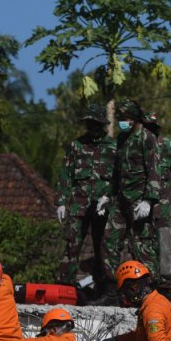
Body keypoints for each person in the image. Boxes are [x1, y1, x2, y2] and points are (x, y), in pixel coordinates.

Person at [54, 103, 116, 294]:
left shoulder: (113, 147)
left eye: (95, 123)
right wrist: (61, 202)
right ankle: (65, 285)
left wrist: (110, 199)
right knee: (72, 243)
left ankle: (105, 286)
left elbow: (119, 179)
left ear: (102, 125)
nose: (91, 127)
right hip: (78, 205)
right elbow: (66, 175)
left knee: (103, 247)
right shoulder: (77, 145)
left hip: (103, 207)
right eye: (88, 123)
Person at [105, 100, 162, 281]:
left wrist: (149, 200)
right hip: (120, 199)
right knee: (110, 241)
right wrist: (108, 195)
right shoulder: (122, 139)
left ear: (135, 119)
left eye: (126, 118)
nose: (122, 122)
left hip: (139, 200)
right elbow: (117, 170)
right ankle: (111, 287)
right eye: (120, 118)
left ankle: (153, 285)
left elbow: (154, 170)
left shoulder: (147, 138)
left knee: (141, 244)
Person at [142, 111, 171, 226]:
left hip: (161, 209)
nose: (149, 131)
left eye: (152, 127)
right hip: (139, 208)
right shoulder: (135, 147)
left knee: (163, 242)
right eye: (146, 127)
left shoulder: (168, 146)